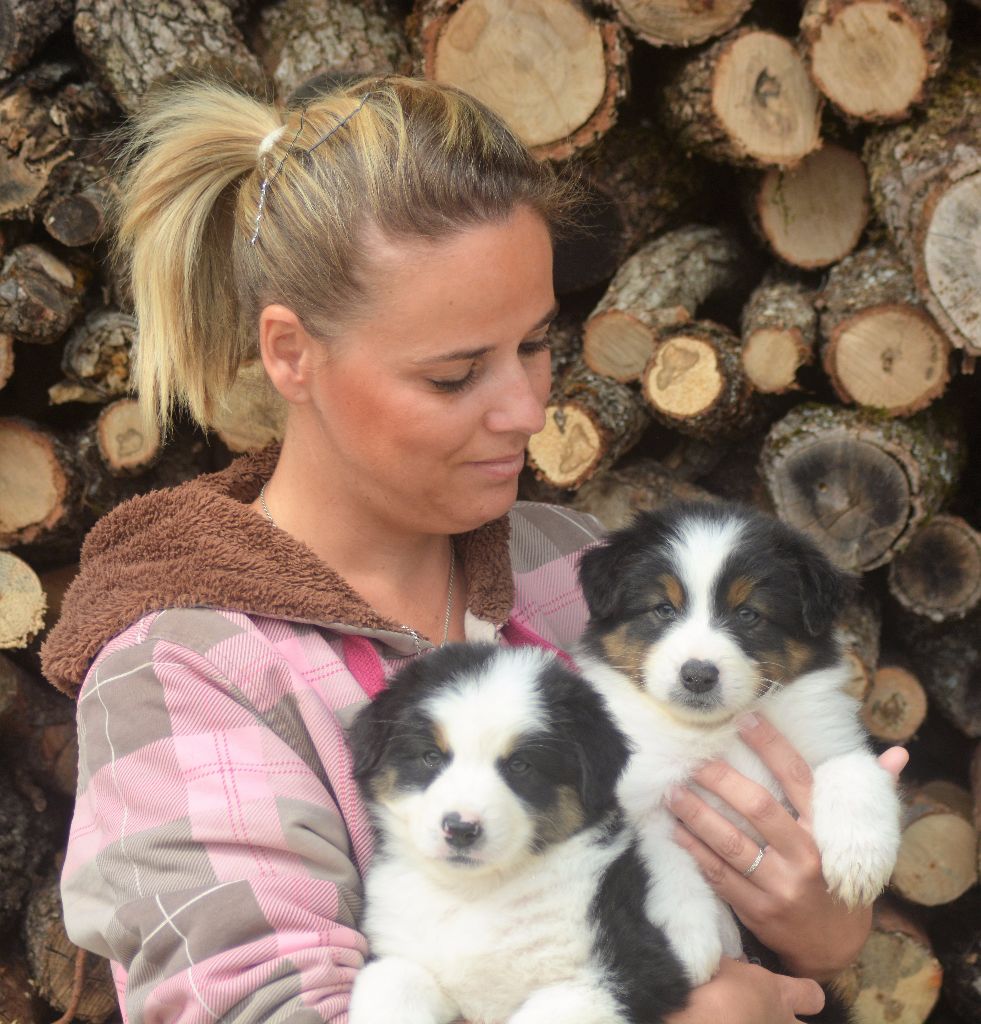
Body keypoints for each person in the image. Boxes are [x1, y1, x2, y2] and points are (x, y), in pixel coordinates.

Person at [42, 74, 902, 1024]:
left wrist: (823, 927)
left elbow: (767, 859)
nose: (527, 409)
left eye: (533, 344)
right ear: (290, 353)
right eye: (455, 375)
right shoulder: (188, 675)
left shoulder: (565, 567)